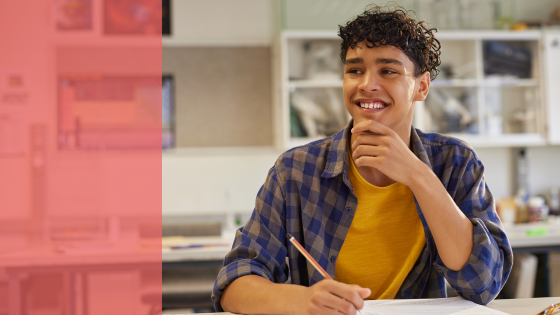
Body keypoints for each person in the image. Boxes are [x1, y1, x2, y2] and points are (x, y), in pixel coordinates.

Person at [212, 4, 513, 315]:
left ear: (421, 86)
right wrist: (302, 301)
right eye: (354, 70)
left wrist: (418, 176)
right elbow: (233, 285)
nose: (367, 83)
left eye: (388, 71)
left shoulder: (456, 163)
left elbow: (483, 283)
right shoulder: (295, 171)